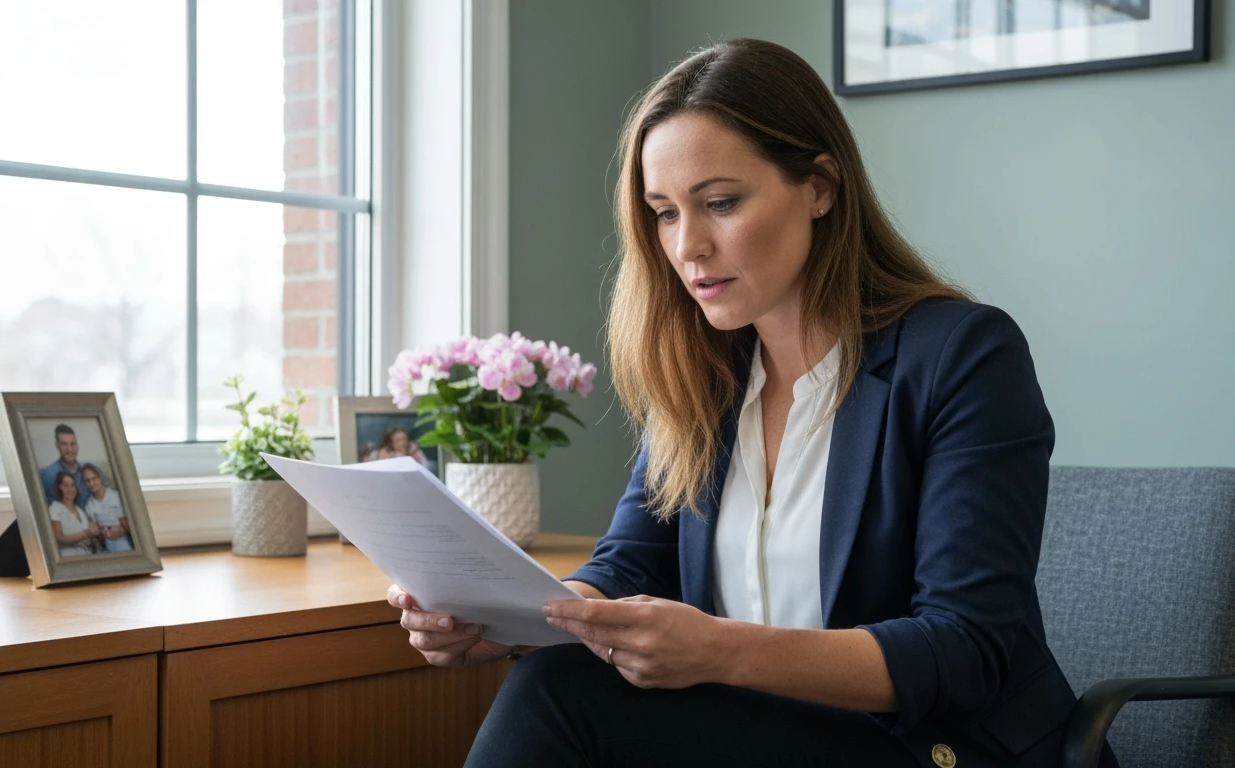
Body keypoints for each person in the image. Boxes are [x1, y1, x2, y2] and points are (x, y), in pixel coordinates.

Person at [389, 38, 1120, 768]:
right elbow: (630, 565)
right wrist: (518, 621)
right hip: (771, 739)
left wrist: (718, 651)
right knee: (553, 671)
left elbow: (963, 650)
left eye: (720, 204)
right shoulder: (705, 371)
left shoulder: (963, 354)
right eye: (664, 213)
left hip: (935, 747)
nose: (688, 247)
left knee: (562, 695)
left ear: (821, 186)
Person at [82, 463, 133, 552]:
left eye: (94, 478)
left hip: (126, 546)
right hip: (106, 549)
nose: (91, 483)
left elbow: (130, 526)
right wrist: (101, 532)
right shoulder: (89, 505)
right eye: (87, 480)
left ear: (100, 478)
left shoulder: (117, 496)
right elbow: (95, 532)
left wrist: (120, 531)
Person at [48, 472, 98, 557]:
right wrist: (86, 534)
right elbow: (58, 539)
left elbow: (86, 539)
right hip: (68, 559)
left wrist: (90, 538)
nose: (70, 489)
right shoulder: (54, 509)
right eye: (66, 485)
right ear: (60, 487)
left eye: (73, 485)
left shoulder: (80, 511)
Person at [39, 423, 89, 505]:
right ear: (57, 445)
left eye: (72, 444)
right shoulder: (46, 475)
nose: (69, 449)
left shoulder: (89, 471)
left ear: (77, 445)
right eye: (64, 444)